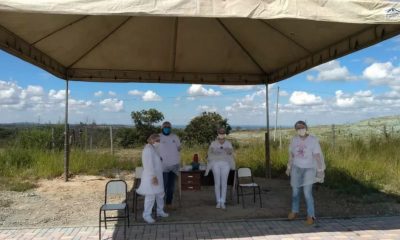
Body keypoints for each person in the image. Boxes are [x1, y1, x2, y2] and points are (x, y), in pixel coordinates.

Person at [286, 120, 325, 225]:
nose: (300, 130)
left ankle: (311, 215)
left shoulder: (313, 140)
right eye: (298, 128)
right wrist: (289, 167)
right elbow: (292, 155)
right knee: (295, 193)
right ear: (296, 130)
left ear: (306, 128)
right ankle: (294, 211)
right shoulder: (294, 140)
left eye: (302, 127)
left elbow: (317, 156)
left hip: (309, 169)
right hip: (296, 168)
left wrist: (320, 170)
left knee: (307, 193)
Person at [136, 133, 169, 224]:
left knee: (160, 193)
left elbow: (156, 160)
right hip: (151, 176)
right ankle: (146, 215)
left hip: (157, 175)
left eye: (159, 141)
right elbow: (148, 164)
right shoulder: (147, 150)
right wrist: (153, 176)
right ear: (152, 140)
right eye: (157, 140)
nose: (158, 142)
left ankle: (160, 211)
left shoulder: (153, 148)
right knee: (150, 196)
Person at [207, 127, 235, 209]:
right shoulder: (213, 143)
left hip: (226, 164)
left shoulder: (228, 143)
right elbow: (209, 153)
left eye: (223, 132)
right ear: (217, 133)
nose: (221, 133)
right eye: (220, 132)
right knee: (217, 183)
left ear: (225, 133)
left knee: (224, 183)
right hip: (215, 164)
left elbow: (231, 152)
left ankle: (223, 201)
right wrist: (214, 151)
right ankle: (218, 201)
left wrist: (228, 150)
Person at [158, 121, 181, 210]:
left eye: (168, 127)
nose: (167, 128)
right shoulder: (159, 137)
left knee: (171, 186)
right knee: (163, 186)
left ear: (171, 128)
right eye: (165, 127)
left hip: (174, 165)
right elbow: (154, 148)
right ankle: (160, 205)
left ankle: (169, 203)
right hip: (163, 166)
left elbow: (179, 148)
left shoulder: (175, 137)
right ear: (162, 128)